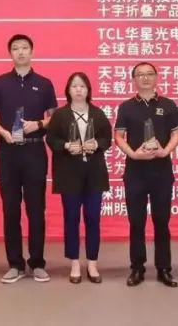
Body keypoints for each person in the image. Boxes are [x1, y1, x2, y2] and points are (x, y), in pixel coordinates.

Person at [0, 34, 58, 283]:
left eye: (25, 48)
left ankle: (37, 262)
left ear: (32, 51)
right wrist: (3, 132)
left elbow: (54, 117)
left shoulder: (44, 84)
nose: (21, 52)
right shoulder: (0, 82)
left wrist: (39, 124)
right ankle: (15, 263)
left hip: (35, 151)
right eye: (15, 48)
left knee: (36, 209)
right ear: (10, 53)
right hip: (8, 152)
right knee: (10, 209)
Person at [114, 62, 178, 288]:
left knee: (162, 222)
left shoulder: (168, 104)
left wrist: (165, 151)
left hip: (161, 171)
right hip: (135, 172)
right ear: (133, 79)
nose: (145, 78)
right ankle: (137, 268)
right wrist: (133, 154)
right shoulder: (126, 107)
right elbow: (119, 136)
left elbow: (177, 134)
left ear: (156, 77)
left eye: (149, 74)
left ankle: (164, 268)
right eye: (140, 75)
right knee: (136, 222)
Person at [45, 73, 111, 284]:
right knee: (71, 218)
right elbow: (51, 139)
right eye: (74, 86)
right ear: (68, 90)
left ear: (88, 90)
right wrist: (66, 146)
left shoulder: (97, 113)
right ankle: (74, 262)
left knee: (93, 218)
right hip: (69, 174)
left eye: (82, 86)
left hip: (94, 174)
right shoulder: (60, 115)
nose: (78, 90)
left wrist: (97, 144)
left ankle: (92, 262)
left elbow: (107, 138)